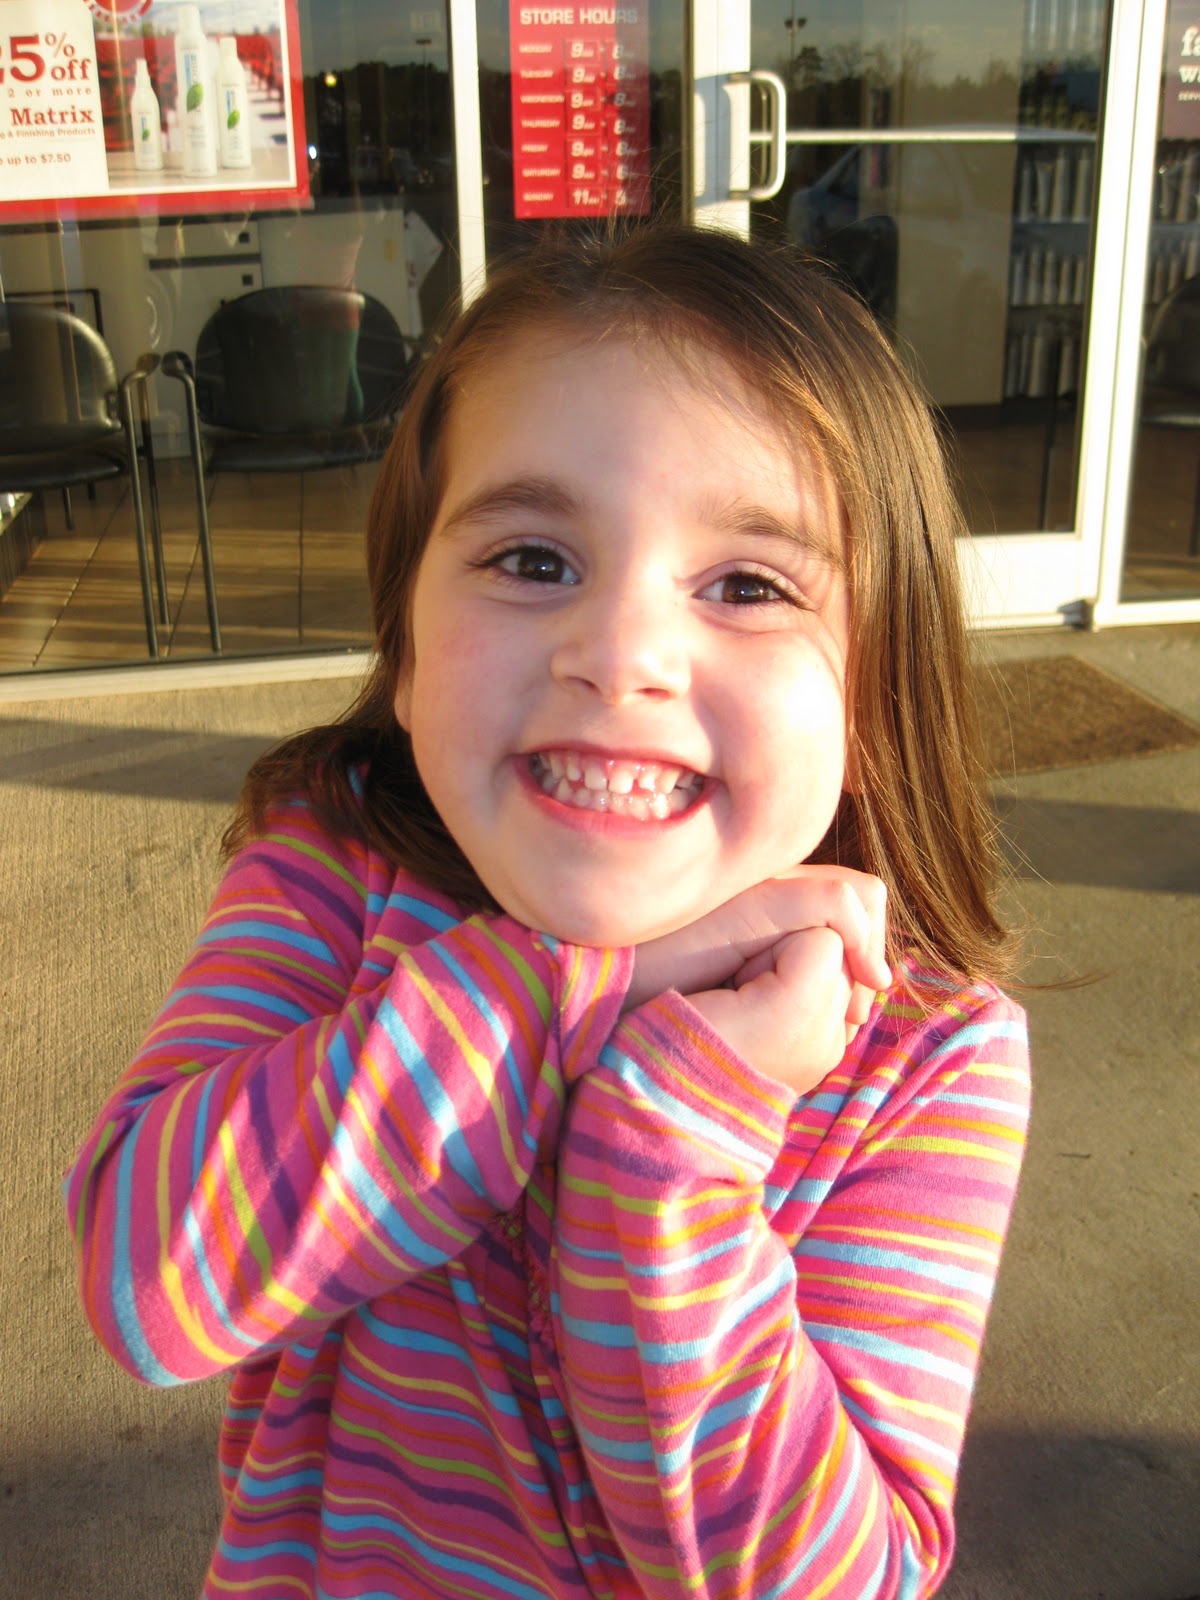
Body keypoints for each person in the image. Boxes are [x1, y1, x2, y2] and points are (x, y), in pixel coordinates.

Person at [65, 224, 1030, 1600]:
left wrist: (675, 1142)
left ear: (876, 701)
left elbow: (827, 1579)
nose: (620, 656)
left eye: (748, 586)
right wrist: (565, 992)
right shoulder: (335, 869)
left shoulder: (926, 1054)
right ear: (406, 653)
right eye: (532, 560)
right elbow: (149, 1281)